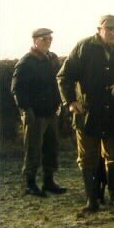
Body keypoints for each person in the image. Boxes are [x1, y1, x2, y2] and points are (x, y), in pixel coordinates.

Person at [57, 15, 114, 213]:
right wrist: (70, 102)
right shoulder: (84, 47)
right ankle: (92, 199)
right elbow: (64, 76)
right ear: (99, 29)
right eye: (109, 29)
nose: (113, 33)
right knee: (87, 158)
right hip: (87, 113)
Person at [11, 28, 67, 197]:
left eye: (50, 38)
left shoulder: (52, 58)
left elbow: (58, 82)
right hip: (35, 114)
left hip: (51, 112)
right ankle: (30, 183)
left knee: (52, 148)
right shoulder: (27, 62)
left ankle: (49, 181)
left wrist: (60, 104)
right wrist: (25, 109)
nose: (48, 41)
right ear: (35, 40)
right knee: (33, 149)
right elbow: (17, 89)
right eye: (44, 39)